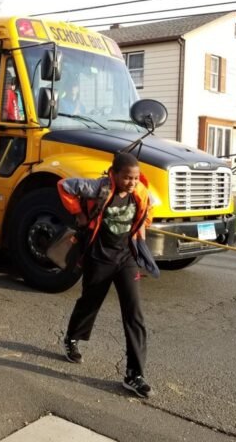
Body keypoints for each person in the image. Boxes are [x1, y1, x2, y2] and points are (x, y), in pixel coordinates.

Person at [57, 152, 156, 398]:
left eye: (135, 178)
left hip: (126, 259)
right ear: (114, 173)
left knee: (134, 314)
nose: (132, 182)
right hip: (99, 258)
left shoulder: (140, 191)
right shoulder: (97, 187)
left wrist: (144, 224)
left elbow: (148, 209)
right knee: (90, 303)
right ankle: (72, 338)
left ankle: (135, 375)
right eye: (127, 178)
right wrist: (79, 214)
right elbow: (64, 185)